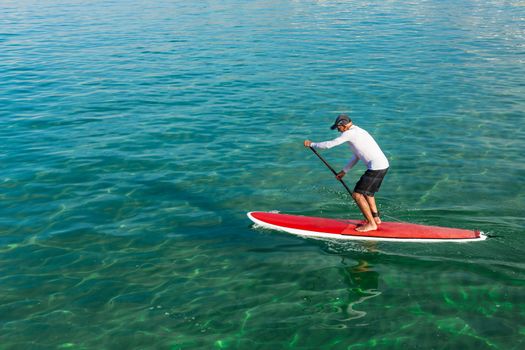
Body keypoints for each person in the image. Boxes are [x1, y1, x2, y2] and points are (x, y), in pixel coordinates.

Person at [304, 114, 389, 232]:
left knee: (357, 195)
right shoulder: (358, 131)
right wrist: (344, 171)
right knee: (368, 193)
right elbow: (357, 156)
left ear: (343, 125)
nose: (338, 130)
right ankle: (376, 219)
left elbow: (329, 145)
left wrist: (311, 144)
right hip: (383, 165)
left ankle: (371, 224)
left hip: (376, 167)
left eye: (338, 128)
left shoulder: (349, 133)